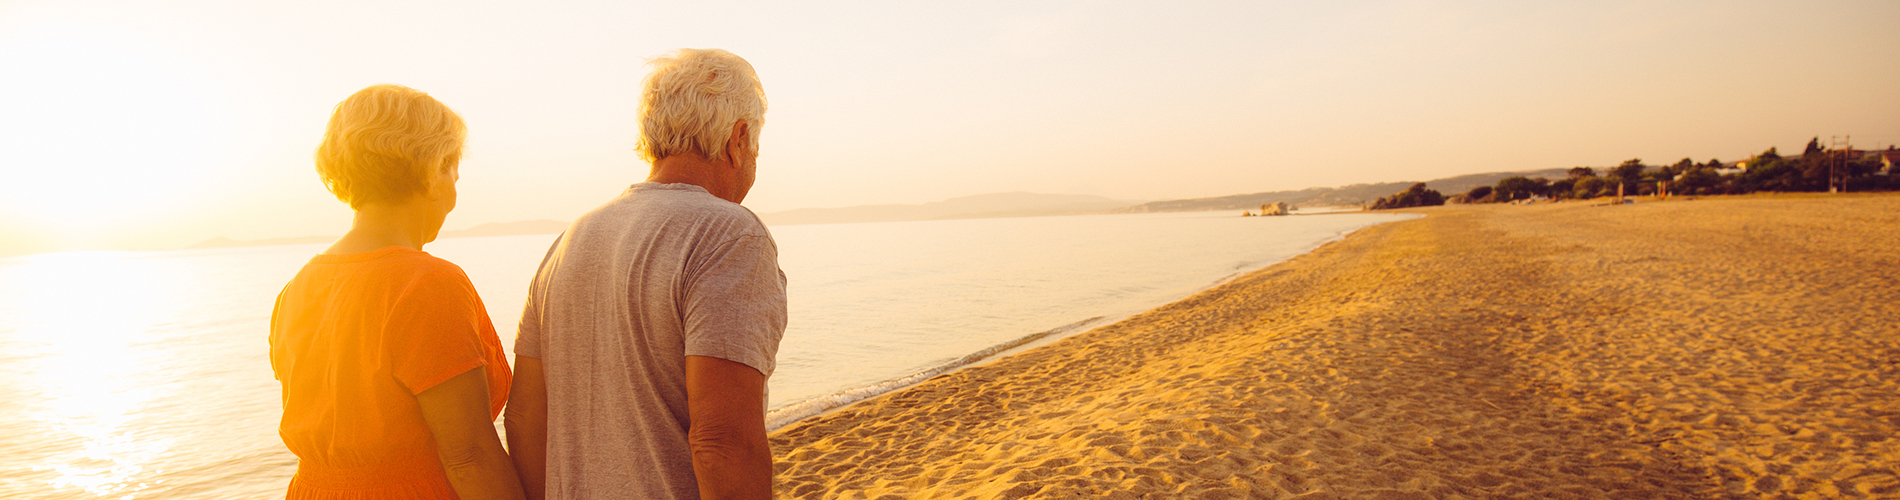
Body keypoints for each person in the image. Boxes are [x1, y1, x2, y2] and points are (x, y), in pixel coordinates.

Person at [506, 48, 784, 500]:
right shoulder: (728, 234)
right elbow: (722, 442)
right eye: (755, 144)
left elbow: (523, 419)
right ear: (738, 140)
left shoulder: (571, 239)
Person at [270, 84, 526, 500]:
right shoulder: (427, 283)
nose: (453, 196)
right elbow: (469, 457)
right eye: (453, 174)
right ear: (432, 170)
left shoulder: (296, 289)